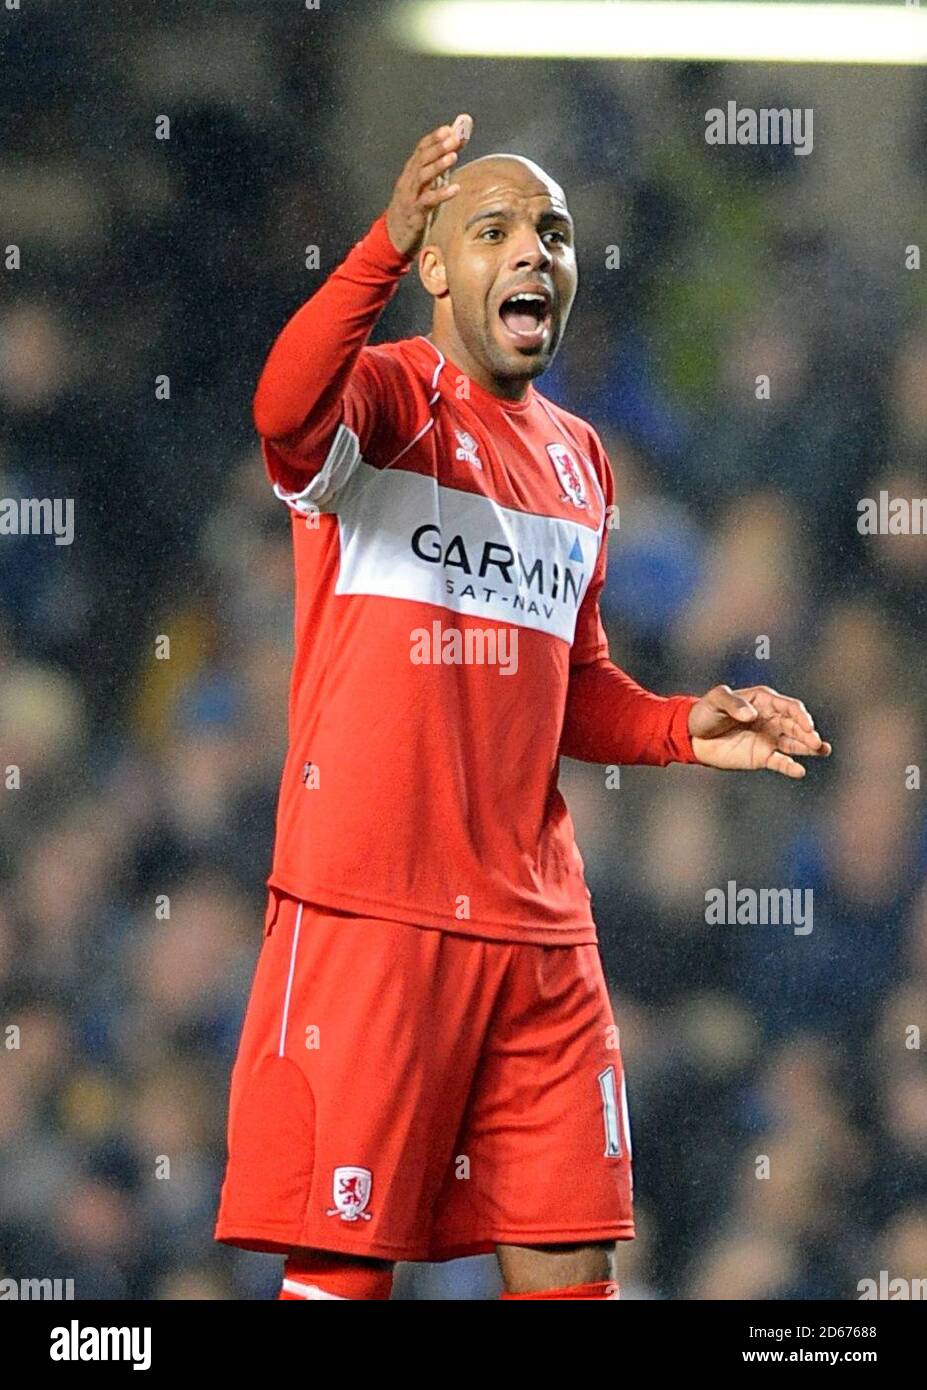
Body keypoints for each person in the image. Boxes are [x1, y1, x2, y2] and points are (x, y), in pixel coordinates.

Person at [214, 114, 831, 1301]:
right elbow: (283, 410)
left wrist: (681, 724)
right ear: (436, 267)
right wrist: (376, 247)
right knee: (345, 1264)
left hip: (539, 930)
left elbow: (574, 685)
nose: (534, 251)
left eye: (553, 232)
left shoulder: (582, 460)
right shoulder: (387, 399)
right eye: (492, 229)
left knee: (574, 1264)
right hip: (374, 908)